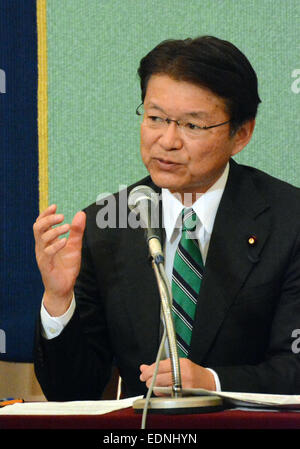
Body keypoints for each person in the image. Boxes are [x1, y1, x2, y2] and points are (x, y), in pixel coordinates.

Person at [33, 36, 300, 401]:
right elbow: (72, 391)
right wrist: (59, 301)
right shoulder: (106, 226)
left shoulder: (289, 221)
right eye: (156, 118)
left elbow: (294, 367)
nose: (167, 140)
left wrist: (213, 382)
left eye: (192, 126)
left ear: (241, 134)